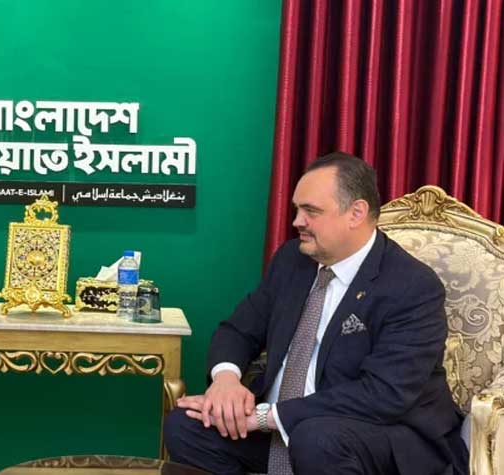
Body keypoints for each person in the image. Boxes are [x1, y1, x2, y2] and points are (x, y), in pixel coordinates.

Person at [164, 153, 468, 475]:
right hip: (283, 427)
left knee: (315, 439)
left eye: (311, 211)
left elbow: (383, 394)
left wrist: (268, 416)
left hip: (377, 434)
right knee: (186, 426)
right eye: (297, 209)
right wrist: (226, 381)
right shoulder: (291, 260)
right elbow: (238, 330)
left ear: (356, 213)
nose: (297, 221)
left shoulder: (411, 286)